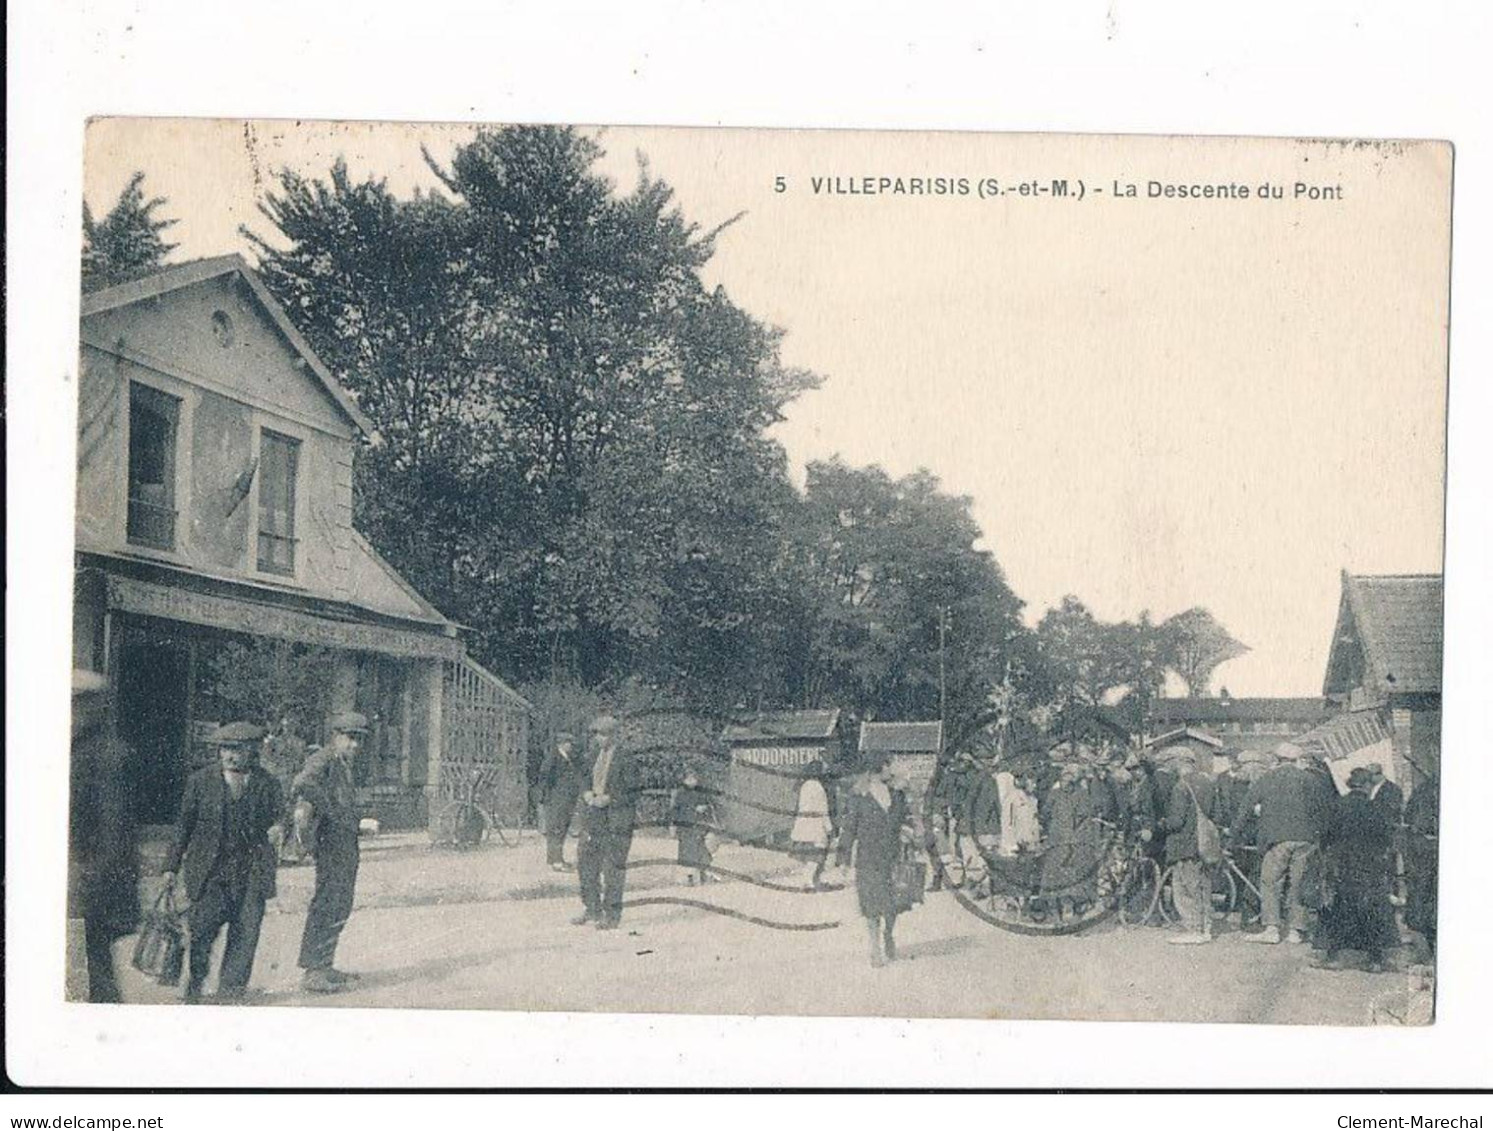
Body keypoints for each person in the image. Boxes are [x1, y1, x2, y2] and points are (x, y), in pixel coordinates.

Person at [162, 722, 283, 1003]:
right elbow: (183, 826)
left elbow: (278, 817)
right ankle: (194, 985)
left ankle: (231, 991)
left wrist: (278, 827)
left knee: (246, 933)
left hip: (251, 873)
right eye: (225, 749)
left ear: (253, 751)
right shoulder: (200, 782)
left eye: (238, 750)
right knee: (202, 931)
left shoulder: (268, 783)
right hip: (210, 873)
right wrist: (170, 866)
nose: (230, 755)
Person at [68, 671, 139, 1003]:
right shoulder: (76, 752)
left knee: (92, 976)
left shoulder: (107, 756)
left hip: (89, 887)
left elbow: (113, 832)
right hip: (82, 885)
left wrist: (89, 882)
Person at [292, 711, 368, 992]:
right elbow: (302, 783)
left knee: (341, 903)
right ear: (335, 737)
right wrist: (332, 812)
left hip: (345, 840)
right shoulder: (323, 758)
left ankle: (324, 964)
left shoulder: (342, 762)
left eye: (359, 740)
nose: (355, 746)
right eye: (350, 739)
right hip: (330, 841)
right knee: (328, 902)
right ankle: (313, 971)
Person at [1235, 741, 1337, 944]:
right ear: (1297, 760)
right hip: (1306, 839)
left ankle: (1272, 929)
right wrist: (1321, 836)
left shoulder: (1267, 778)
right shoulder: (1309, 779)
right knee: (1299, 884)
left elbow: (1246, 808)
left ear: (1277, 760)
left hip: (1277, 839)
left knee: (1271, 882)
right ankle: (1295, 931)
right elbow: (1325, 810)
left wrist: (1234, 835)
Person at [1314, 768, 1400, 972]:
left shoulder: (1337, 806)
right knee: (1372, 910)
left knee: (1338, 909)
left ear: (1351, 785)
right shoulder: (1375, 809)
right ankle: (1376, 960)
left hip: (1342, 866)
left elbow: (1325, 836)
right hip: (1370, 867)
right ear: (1367, 786)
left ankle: (1333, 957)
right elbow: (1387, 839)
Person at [836, 752, 913, 967]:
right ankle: (875, 949)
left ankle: (888, 933)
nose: (892, 770)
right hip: (868, 857)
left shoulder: (896, 793)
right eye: (889, 766)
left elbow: (905, 819)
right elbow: (849, 828)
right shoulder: (858, 796)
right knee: (871, 904)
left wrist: (909, 832)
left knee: (893, 903)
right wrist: (843, 858)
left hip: (893, 854)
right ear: (878, 768)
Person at [573, 714, 640, 930]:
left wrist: (609, 798)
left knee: (613, 867)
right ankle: (592, 908)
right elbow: (583, 777)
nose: (599, 739)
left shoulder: (627, 757)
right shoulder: (592, 755)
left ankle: (612, 915)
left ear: (614, 735)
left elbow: (632, 789)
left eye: (603, 734)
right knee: (586, 863)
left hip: (616, 819)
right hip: (593, 817)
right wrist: (586, 793)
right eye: (596, 735)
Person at [1161, 749, 1223, 945]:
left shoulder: (1181, 786)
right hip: (1204, 844)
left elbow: (1176, 822)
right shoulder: (1207, 783)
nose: (1169, 766)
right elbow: (1217, 814)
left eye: (1170, 762)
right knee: (1203, 885)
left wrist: (1163, 823)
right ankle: (1206, 927)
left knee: (1185, 888)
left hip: (1185, 845)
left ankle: (1193, 928)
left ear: (1178, 762)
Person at [536, 730, 586, 872]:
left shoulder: (565, 757)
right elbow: (545, 778)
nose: (571, 746)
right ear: (562, 744)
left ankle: (557, 859)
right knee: (556, 830)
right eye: (569, 743)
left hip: (564, 800)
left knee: (561, 829)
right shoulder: (553, 757)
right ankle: (556, 861)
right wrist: (548, 797)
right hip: (556, 800)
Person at [1402, 772, 1439, 959]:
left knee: (1421, 891)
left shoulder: (1423, 789)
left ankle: (1423, 940)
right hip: (1426, 846)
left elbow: (1410, 816)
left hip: (1423, 847)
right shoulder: (1426, 790)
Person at [789, 760, 834, 888]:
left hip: (803, 823)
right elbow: (823, 809)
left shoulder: (805, 785)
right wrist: (829, 827)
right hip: (816, 825)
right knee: (816, 855)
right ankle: (808, 880)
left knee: (808, 854)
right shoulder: (818, 787)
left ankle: (812, 880)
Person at [672, 769, 717, 885]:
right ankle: (689, 876)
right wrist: (693, 809)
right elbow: (677, 810)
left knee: (702, 849)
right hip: (686, 826)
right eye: (689, 779)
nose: (692, 782)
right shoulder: (680, 793)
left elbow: (708, 805)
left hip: (699, 825)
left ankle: (704, 873)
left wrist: (704, 809)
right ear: (684, 780)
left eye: (694, 779)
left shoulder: (700, 792)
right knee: (688, 851)